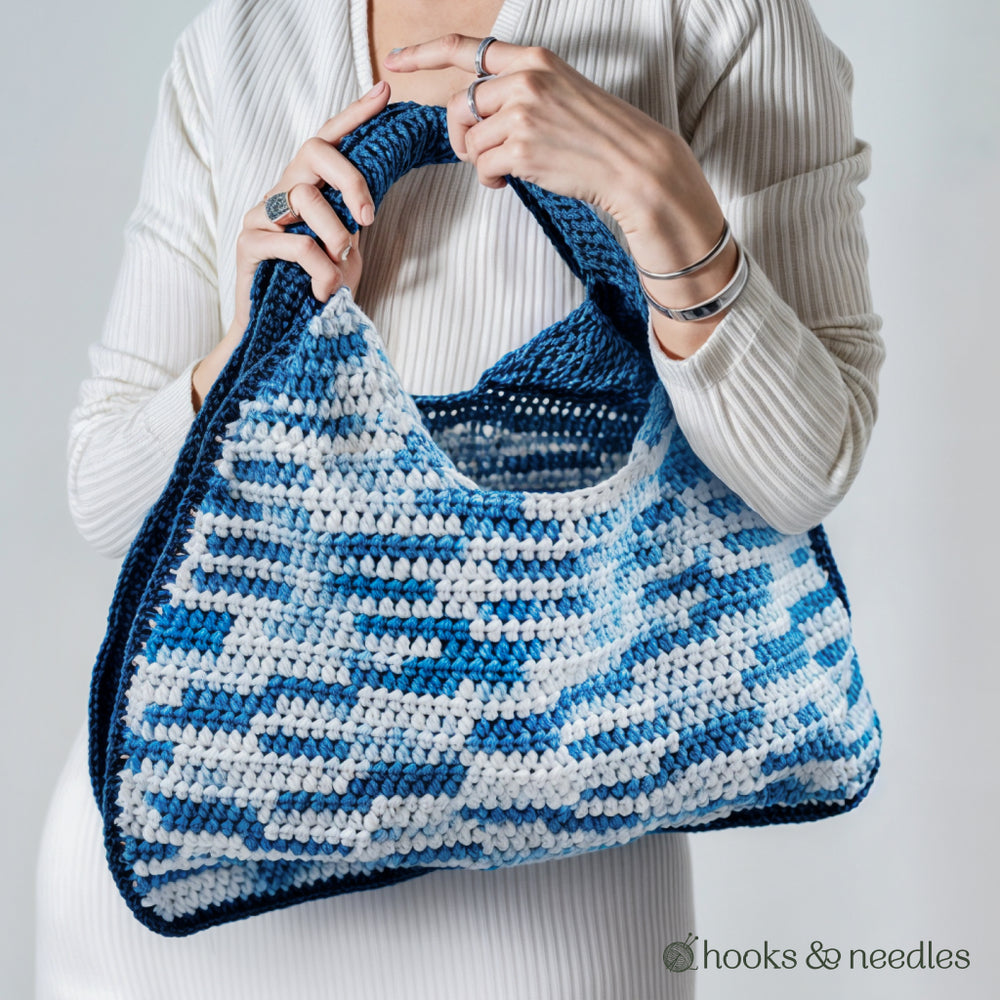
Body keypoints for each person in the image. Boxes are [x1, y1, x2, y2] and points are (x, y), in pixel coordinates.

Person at [36, 1, 885, 997]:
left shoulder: (716, 21)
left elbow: (803, 473)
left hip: (550, 903)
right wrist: (245, 345)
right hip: (201, 880)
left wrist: (654, 196)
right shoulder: (240, 38)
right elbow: (105, 502)